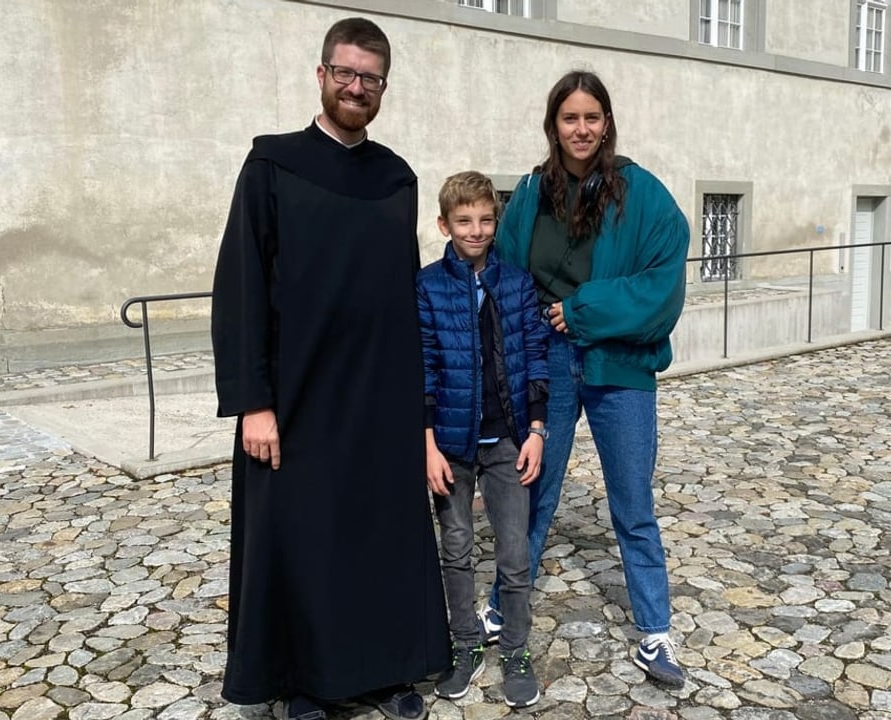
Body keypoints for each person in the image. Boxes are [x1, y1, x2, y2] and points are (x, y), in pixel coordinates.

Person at [210, 17, 451, 720]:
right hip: (297, 397)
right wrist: (253, 401)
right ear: (321, 76)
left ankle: (388, 669)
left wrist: (421, 414)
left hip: (380, 396)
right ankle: (306, 682)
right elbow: (242, 287)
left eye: (369, 78)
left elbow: (403, 293)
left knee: (380, 537)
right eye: (344, 73)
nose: (356, 87)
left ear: (382, 88)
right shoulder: (271, 167)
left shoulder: (395, 178)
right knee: (304, 542)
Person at [485, 70, 690, 688]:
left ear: (607, 123)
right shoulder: (529, 195)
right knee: (534, 491)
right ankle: (503, 603)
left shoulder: (644, 194)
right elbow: (505, 276)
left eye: (592, 117)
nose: (581, 129)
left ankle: (655, 633)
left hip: (620, 367)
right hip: (549, 363)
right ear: (554, 126)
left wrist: (581, 310)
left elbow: (663, 289)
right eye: (569, 118)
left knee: (632, 503)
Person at [417, 171, 549, 708]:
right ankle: (466, 644)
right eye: (464, 221)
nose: (476, 230)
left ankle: (515, 649)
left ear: (497, 222)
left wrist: (537, 430)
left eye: (486, 219)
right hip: (449, 443)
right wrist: (426, 444)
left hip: (509, 440)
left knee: (514, 553)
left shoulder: (516, 284)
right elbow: (422, 368)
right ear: (445, 223)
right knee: (456, 548)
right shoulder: (427, 286)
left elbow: (536, 357)